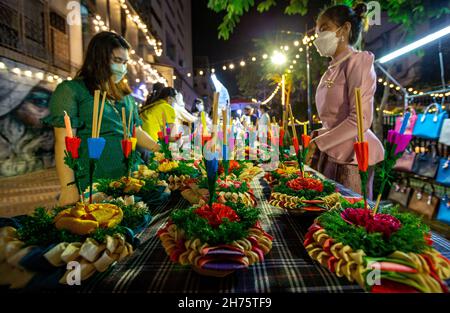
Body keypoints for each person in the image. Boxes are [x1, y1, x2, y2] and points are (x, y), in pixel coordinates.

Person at [44, 31, 160, 206]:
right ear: (98, 58)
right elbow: (64, 142)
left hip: (132, 177)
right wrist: (68, 187)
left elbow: (135, 131)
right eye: (117, 61)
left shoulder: (125, 97)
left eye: (125, 62)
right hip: (95, 180)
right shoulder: (71, 91)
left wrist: (162, 149)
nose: (123, 67)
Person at [306, 3, 384, 199]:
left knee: (347, 218)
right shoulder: (331, 69)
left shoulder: (358, 61)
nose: (318, 37)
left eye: (324, 29)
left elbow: (360, 119)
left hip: (352, 158)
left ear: (345, 29)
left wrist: (319, 143)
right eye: (317, 31)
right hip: (330, 150)